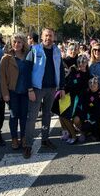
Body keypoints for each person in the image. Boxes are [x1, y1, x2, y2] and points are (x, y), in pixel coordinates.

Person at [23, 28, 65, 159]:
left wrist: (62, 87)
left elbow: (61, 69)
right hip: (36, 89)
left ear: (54, 37)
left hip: (51, 88)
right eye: (46, 35)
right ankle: (28, 145)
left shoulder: (57, 51)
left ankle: (45, 139)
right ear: (42, 37)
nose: (48, 38)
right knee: (32, 117)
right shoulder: (34, 50)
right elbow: (27, 70)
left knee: (47, 115)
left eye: (51, 36)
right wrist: (29, 89)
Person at [0, 33, 30, 150]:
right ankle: (14, 138)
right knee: (13, 116)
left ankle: (23, 137)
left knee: (23, 116)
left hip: (25, 92)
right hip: (12, 92)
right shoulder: (6, 58)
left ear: (23, 43)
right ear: (11, 43)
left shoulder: (28, 56)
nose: (17, 44)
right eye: (14, 42)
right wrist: (5, 93)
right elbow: (2, 78)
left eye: (19, 42)